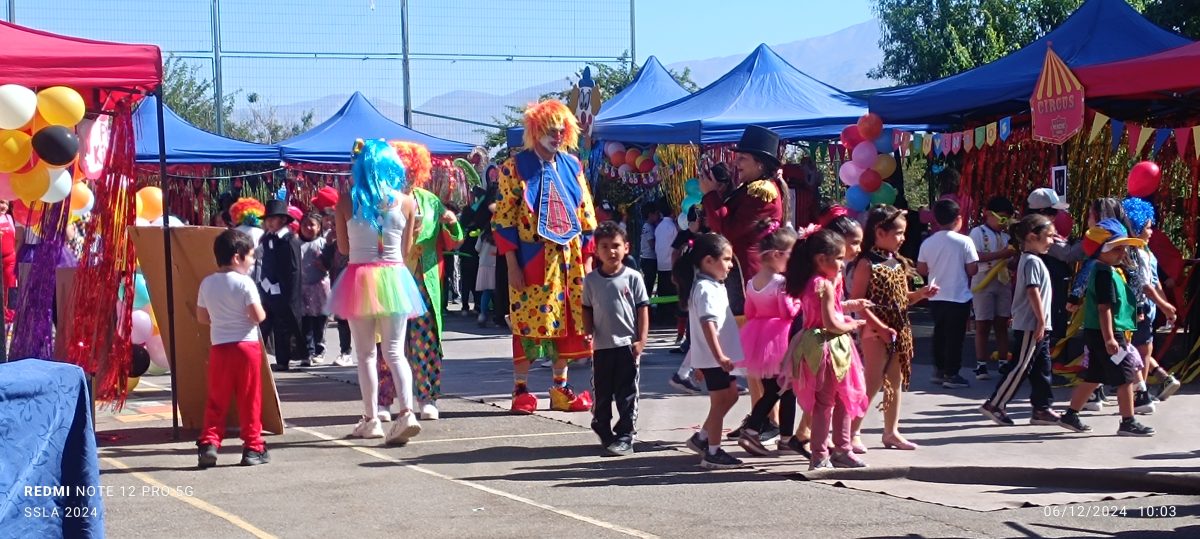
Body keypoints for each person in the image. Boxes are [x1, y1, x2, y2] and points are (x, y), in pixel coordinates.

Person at [493, 100, 598, 414]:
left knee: (566, 324)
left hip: (571, 261)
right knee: (529, 324)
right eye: (550, 129)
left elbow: (586, 215)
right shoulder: (515, 167)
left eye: (561, 129)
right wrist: (512, 264)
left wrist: (588, 263)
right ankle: (521, 390)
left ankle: (559, 388)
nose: (556, 135)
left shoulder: (572, 165)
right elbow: (503, 219)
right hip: (533, 258)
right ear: (535, 130)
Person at [329, 139, 427, 444]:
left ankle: (372, 419)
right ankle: (407, 412)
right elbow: (407, 249)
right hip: (396, 278)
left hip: (360, 278)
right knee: (396, 352)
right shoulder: (408, 202)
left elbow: (344, 248)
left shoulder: (347, 202)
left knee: (366, 354)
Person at [386, 141, 464, 421]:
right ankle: (384, 400)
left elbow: (455, 242)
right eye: (399, 169)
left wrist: (451, 222)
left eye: (409, 169)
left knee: (425, 342)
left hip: (425, 281)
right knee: (388, 342)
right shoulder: (383, 200)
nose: (405, 174)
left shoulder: (430, 200)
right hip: (392, 278)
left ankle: (427, 398)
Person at [851, 205, 937, 451]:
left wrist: (920, 294)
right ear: (880, 231)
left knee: (894, 381)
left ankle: (891, 431)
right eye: (898, 233)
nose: (902, 239)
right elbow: (858, 302)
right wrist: (879, 327)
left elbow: (902, 298)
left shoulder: (896, 262)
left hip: (899, 329)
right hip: (875, 330)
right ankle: (853, 431)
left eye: (903, 233)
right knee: (873, 380)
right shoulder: (867, 263)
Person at [1057, 219, 1155, 437]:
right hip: (1108, 334)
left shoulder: (1107, 271)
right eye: (1116, 249)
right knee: (1126, 376)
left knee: (1094, 375)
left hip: (1098, 333)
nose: (1122, 253)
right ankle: (1128, 421)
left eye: (1123, 248)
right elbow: (1104, 308)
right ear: (1101, 250)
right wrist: (1110, 338)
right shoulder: (1104, 275)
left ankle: (1070, 414)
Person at [787, 228, 871, 469]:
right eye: (838, 259)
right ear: (821, 259)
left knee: (842, 399)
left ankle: (840, 448)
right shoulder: (822, 284)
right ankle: (820, 453)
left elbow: (829, 309)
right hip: (826, 346)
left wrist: (849, 305)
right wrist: (852, 324)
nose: (843, 264)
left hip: (827, 344)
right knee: (826, 402)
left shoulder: (818, 281)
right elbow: (829, 322)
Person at [195, 229, 269, 468]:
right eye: (250, 256)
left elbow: (202, 318)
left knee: (217, 398)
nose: (252, 261)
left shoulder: (207, 283)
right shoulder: (245, 282)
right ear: (237, 257)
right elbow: (257, 316)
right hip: (246, 346)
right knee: (249, 399)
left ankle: (209, 443)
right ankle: (253, 447)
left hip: (220, 346)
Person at [979, 214, 1061, 426]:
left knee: (1042, 368)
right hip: (1031, 324)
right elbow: (1032, 291)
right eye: (1049, 236)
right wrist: (1041, 321)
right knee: (1021, 366)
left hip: (1038, 324)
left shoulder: (1033, 260)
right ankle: (995, 403)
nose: (1052, 241)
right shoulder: (1031, 261)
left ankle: (1042, 408)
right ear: (1033, 237)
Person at [734, 221, 802, 457]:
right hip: (780, 340)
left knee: (778, 388)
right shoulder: (781, 283)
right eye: (791, 256)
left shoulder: (752, 283)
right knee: (782, 389)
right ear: (776, 255)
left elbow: (750, 312)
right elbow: (787, 312)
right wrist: (799, 303)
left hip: (759, 337)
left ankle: (783, 436)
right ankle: (757, 430)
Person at [583, 222, 650, 457]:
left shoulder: (633, 277)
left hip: (626, 347)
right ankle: (601, 424)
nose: (611, 251)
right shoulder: (591, 280)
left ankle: (625, 435)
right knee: (602, 391)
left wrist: (641, 340)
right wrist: (588, 331)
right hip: (602, 347)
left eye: (616, 246)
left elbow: (642, 309)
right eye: (605, 246)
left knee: (626, 393)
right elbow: (587, 309)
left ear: (626, 248)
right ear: (596, 250)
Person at [680, 233, 744, 469]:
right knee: (718, 403)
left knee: (732, 396)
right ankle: (713, 452)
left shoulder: (715, 286)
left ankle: (702, 437)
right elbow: (707, 326)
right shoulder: (705, 289)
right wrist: (718, 357)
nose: (730, 265)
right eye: (726, 259)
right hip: (715, 358)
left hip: (717, 358)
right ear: (708, 261)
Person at [1121, 197, 1181, 404]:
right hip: (1139, 308)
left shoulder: (1145, 251)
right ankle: (1140, 393)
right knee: (1141, 350)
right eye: (1147, 227)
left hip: (1147, 307)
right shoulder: (1135, 252)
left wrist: (1165, 307)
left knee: (1143, 349)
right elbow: (1146, 285)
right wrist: (1165, 305)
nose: (1151, 231)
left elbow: (1155, 283)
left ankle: (1141, 390)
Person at [918, 199, 979, 389]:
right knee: (956, 336)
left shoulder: (928, 242)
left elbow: (921, 269)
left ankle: (939, 369)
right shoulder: (965, 241)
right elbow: (972, 270)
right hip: (958, 295)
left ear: (935, 219)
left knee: (939, 332)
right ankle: (952, 374)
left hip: (935, 295)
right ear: (958, 219)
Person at [969, 196, 1016, 380]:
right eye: (1002, 218)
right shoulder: (977, 232)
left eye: (1007, 220)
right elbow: (976, 256)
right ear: (988, 214)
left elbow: (1010, 261)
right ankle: (981, 364)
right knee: (982, 323)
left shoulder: (1006, 236)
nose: (1004, 223)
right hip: (983, 280)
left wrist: (1013, 258)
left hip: (1002, 281)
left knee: (1002, 323)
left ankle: (1003, 362)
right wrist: (1002, 254)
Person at [259, 200, 304, 372]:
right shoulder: (268, 239)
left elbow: (293, 269)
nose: (269, 222)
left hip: (284, 290)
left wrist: (285, 289)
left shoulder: (289, 240)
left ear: (283, 220)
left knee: (285, 325)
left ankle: (290, 357)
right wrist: (265, 282)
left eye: (274, 218)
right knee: (269, 324)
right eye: (267, 219)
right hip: (268, 287)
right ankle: (275, 358)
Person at [315, 188, 354, 366]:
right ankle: (345, 351)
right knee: (342, 318)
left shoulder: (352, 236)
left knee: (357, 319)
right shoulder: (332, 240)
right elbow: (326, 262)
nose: (331, 224)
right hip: (339, 282)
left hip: (356, 280)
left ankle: (354, 352)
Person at [297, 213, 330, 366]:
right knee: (305, 321)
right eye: (305, 225)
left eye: (312, 225)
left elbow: (330, 263)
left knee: (320, 320)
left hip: (320, 286)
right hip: (302, 288)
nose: (308, 228)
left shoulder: (323, 243)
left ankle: (319, 348)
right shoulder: (296, 244)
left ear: (319, 227)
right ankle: (307, 351)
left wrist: (322, 265)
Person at [475, 228, 497, 328]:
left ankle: (483, 315)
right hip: (495, 265)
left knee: (486, 292)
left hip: (483, 264)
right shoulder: (498, 233)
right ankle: (497, 315)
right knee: (496, 292)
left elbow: (477, 248)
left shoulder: (483, 234)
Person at [639, 205, 661, 295]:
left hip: (649, 259)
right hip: (649, 259)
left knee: (650, 282)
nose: (658, 216)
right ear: (650, 215)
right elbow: (652, 244)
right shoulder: (648, 227)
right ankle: (646, 304)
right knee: (649, 283)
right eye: (656, 214)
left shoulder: (650, 226)